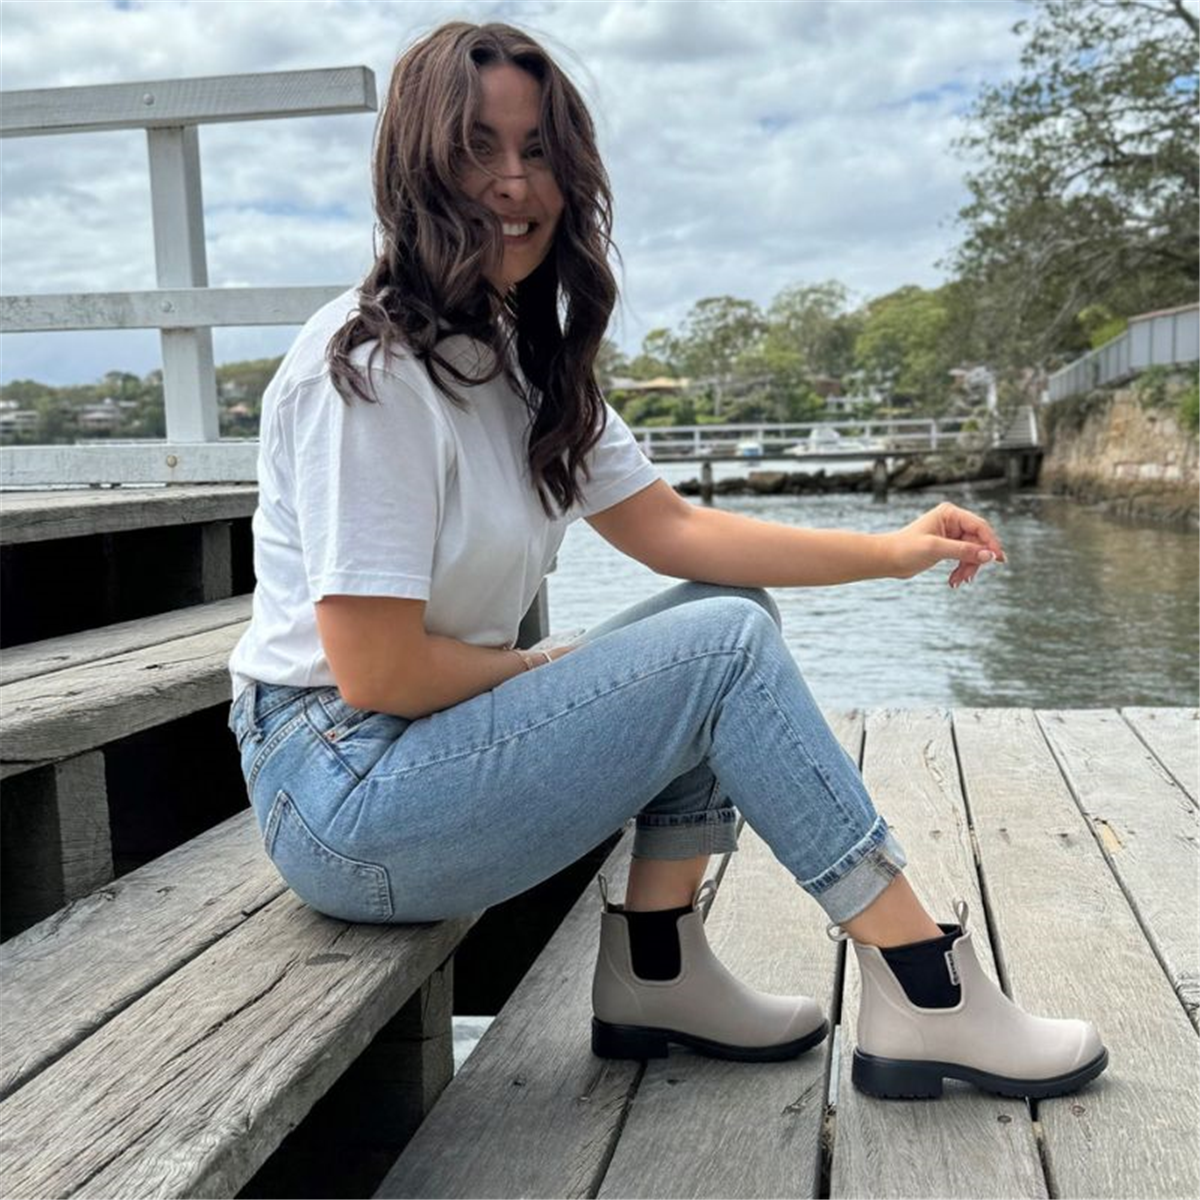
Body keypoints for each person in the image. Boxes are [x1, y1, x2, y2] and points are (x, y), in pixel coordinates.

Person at [227, 20, 1107, 1101]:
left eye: (538, 150)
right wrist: (537, 668)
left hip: (427, 746)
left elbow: (677, 532)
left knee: (729, 610)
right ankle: (924, 983)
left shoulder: (518, 360)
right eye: (476, 149)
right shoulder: (365, 374)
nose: (514, 183)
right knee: (715, 649)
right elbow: (378, 673)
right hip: (343, 793)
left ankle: (659, 967)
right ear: (416, 168)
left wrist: (894, 552)